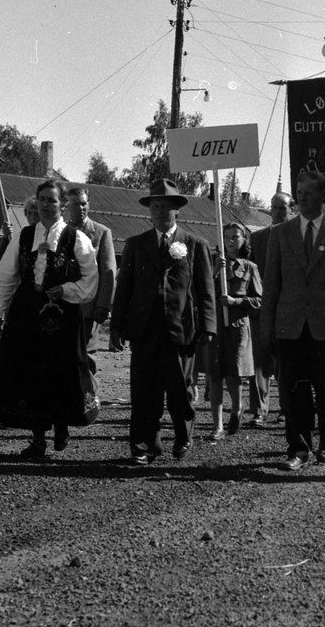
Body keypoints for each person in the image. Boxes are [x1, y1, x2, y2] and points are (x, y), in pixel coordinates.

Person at [0, 180, 100, 457]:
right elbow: (6, 276)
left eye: (52, 201)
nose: (46, 205)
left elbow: (91, 279)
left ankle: (61, 425)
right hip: (28, 315)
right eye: (42, 200)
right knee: (31, 374)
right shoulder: (24, 237)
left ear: (63, 206)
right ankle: (37, 439)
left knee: (61, 373)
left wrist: (67, 290)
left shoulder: (76, 238)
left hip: (63, 317)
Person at [259, 171, 325, 471]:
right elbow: (272, 285)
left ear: (322, 196)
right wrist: (267, 327)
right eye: (299, 193)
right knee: (293, 390)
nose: (302, 198)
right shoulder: (281, 234)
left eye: (308, 193)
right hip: (289, 326)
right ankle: (298, 449)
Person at [109, 179, 216, 465]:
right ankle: (145, 446)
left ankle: (183, 435)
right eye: (155, 206)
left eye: (165, 207)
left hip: (181, 330)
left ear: (176, 210)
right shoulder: (135, 244)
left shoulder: (195, 244)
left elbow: (206, 290)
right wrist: (117, 326)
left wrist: (208, 326)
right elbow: (125, 289)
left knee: (180, 389)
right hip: (144, 330)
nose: (159, 212)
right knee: (144, 391)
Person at [204, 223, 262, 439]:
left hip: (237, 327)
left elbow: (258, 300)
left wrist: (236, 301)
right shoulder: (213, 263)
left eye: (235, 237)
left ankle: (237, 408)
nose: (230, 241)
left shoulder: (249, 268)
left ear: (243, 240)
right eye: (226, 236)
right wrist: (213, 272)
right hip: (215, 326)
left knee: (234, 373)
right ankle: (217, 425)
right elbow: (202, 292)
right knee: (215, 374)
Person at [247, 192, 292, 426]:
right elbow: (251, 271)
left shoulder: (297, 236)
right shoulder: (258, 238)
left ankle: (286, 407)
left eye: (282, 208)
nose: (276, 212)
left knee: (285, 360)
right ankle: (259, 409)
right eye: (273, 207)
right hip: (263, 307)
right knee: (260, 359)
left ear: (291, 210)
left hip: (288, 307)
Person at [66, 185, 117, 367]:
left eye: (83, 204)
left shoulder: (101, 232)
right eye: (75, 204)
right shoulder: (60, 231)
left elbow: (108, 271)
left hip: (88, 307)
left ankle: (89, 393)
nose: (80, 208)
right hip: (63, 304)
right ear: (67, 206)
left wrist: (103, 305)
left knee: (87, 355)